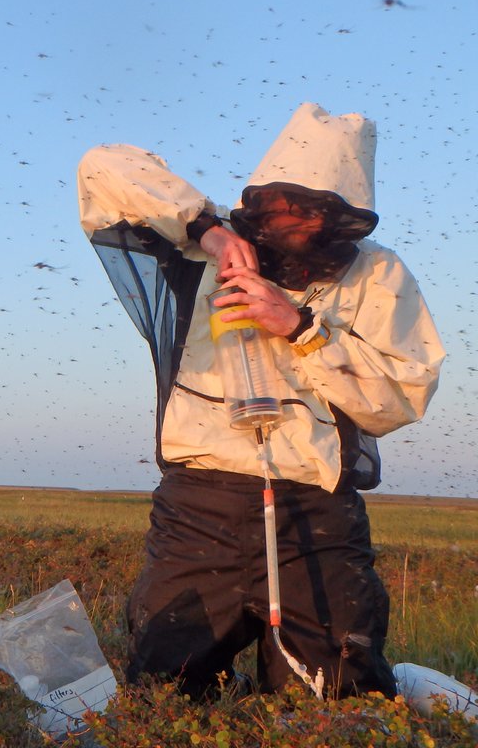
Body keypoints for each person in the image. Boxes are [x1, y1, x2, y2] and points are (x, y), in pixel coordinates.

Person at [77, 103, 444, 698]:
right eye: (285, 204)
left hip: (318, 513)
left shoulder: (378, 274)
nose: (297, 221)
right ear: (261, 199)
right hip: (200, 506)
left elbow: (402, 396)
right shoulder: (200, 244)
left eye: (317, 210)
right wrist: (207, 230)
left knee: (336, 697)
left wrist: (301, 329)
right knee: (166, 692)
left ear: (346, 218)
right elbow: (102, 168)